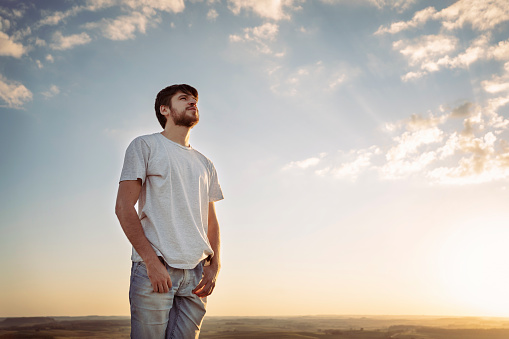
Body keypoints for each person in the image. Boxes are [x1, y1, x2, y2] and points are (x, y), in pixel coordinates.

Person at [115, 84, 223, 338]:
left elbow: (211, 221)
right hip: (157, 267)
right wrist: (151, 263)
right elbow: (123, 207)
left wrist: (215, 264)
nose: (192, 103)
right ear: (165, 109)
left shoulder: (205, 163)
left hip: (196, 273)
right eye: (183, 98)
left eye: (195, 100)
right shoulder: (145, 146)